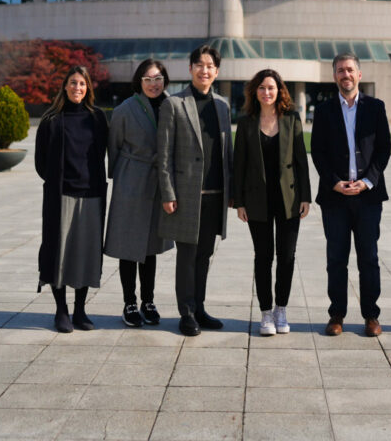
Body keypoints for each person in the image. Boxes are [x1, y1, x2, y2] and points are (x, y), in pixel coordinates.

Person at [310, 53, 391, 337]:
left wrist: (368, 181)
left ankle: (371, 316)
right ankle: (336, 315)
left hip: (368, 197)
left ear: (359, 74)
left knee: (368, 257)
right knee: (336, 259)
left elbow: (384, 150)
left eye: (350, 70)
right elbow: (317, 152)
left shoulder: (376, 107)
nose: (345, 74)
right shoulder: (323, 111)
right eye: (340, 70)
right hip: (335, 198)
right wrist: (334, 182)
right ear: (334, 76)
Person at [157, 45, 233, 337]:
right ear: (190, 68)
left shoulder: (223, 106)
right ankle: (186, 312)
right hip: (187, 196)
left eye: (210, 65)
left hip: (215, 195)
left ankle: (199, 307)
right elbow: (163, 155)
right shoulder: (173, 104)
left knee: (205, 255)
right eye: (199, 65)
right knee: (187, 256)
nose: (205, 70)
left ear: (217, 71)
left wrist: (233, 192)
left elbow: (228, 151)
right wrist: (168, 193)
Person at [232, 69, 311, 336]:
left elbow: (301, 160)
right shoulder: (245, 123)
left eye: (272, 88)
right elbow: (238, 164)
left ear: (280, 91)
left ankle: (281, 309)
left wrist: (306, 197)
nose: (267, 92)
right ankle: (265, 312)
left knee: (286, 257)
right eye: (262, 88)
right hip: (256, 201)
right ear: (255, 91)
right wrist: (239, 201)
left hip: (288, 200)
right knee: (263, 256)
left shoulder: (291, 118)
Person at [35, 64, 109, 333]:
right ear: (65, 86)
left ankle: (80, 309)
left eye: (82, 83)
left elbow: (103, 154)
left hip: (91, 195)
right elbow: (40, 162)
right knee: (59, 253)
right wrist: (58, 182)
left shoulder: (98, 118)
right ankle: (61, 310)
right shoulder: (52, 120)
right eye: (73, 82)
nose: (77, 87)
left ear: (88, 88)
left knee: (85, 253)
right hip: (61, 196)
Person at [104, 58, 173, 328]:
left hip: (159, 182)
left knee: (151, 247)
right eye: (148, 79)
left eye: (158, 78)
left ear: (164, 80)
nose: (153, 84)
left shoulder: (172, 106)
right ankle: (129, 301)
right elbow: (114, 146)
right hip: (131, 180)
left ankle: (148, 300)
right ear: (139, 81)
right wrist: (120, 179)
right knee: (128, 245)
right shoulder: (125, 109)